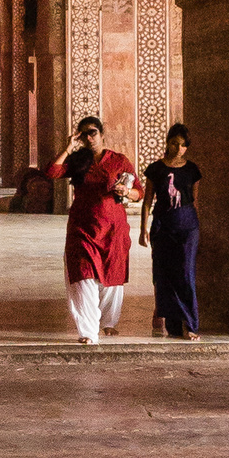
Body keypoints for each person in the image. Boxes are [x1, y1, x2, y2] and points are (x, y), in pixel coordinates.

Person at [45, 116, 141, 343]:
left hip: (113, 229)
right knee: (83, 276)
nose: (89, 138)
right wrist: (69, 147)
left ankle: (108, 321)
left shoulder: (118, 161)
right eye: (84, 134)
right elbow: (52, 171)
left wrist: (126, 192)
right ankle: (88, 331)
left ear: (102, 133)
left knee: (111, 277)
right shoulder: (78, 160)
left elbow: (139, 192)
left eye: (93, 132)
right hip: (83, 227)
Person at [141, 123, 202, 340]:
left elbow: (194, 202)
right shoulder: (156, 169)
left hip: (187, 227)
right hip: (163, 226)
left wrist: (197, 227)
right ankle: (173, 325)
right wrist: (143, 229)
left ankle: (191, 324)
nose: (179, 148)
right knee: (164, 275)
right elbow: (147, 201)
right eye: (175, 143)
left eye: (184, 145)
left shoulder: (192, 170)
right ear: (168, 142)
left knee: (185, 273)